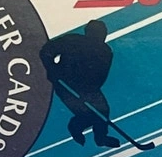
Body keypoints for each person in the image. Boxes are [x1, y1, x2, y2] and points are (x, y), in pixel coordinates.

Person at [40, 19, 120, 148]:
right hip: (65, 84)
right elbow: (47, 51)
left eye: (103, 33)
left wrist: (90, 90)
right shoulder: (73, 40)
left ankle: (101, 137)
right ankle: (75, 127)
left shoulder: (105, 51)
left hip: (88, 89)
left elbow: (101, 76)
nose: (101, 36)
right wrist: (52, 69)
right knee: (87, 114)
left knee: (102, 110)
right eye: (98, 32)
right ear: (89, 32)